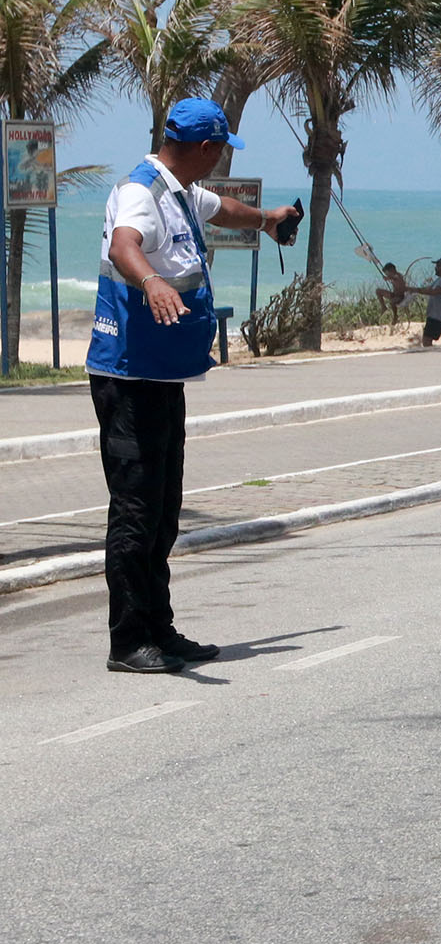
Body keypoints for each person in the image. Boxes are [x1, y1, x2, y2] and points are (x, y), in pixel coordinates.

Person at [87, 98, 298, 674]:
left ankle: (159, 628)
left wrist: (268, 216)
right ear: (206, 149)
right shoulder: (142, 193)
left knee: (163, 511)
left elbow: (222, 208)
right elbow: (124, 244)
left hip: (160, 377)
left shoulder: (179, 190)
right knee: (135, 512)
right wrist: (153, 281)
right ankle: (128, 642)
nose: (222, 159)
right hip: (127, 378)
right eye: (222, 149)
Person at [413, 258, 441, 347]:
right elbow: (428, 289)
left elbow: (434, 291)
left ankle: (432, 358)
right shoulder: (439, 280)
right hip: (433, 315)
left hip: (438, 316)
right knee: (426, 340)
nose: (435, 268)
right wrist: (411, 289)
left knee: (427, 340)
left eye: (437, 266)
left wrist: (417, 290)